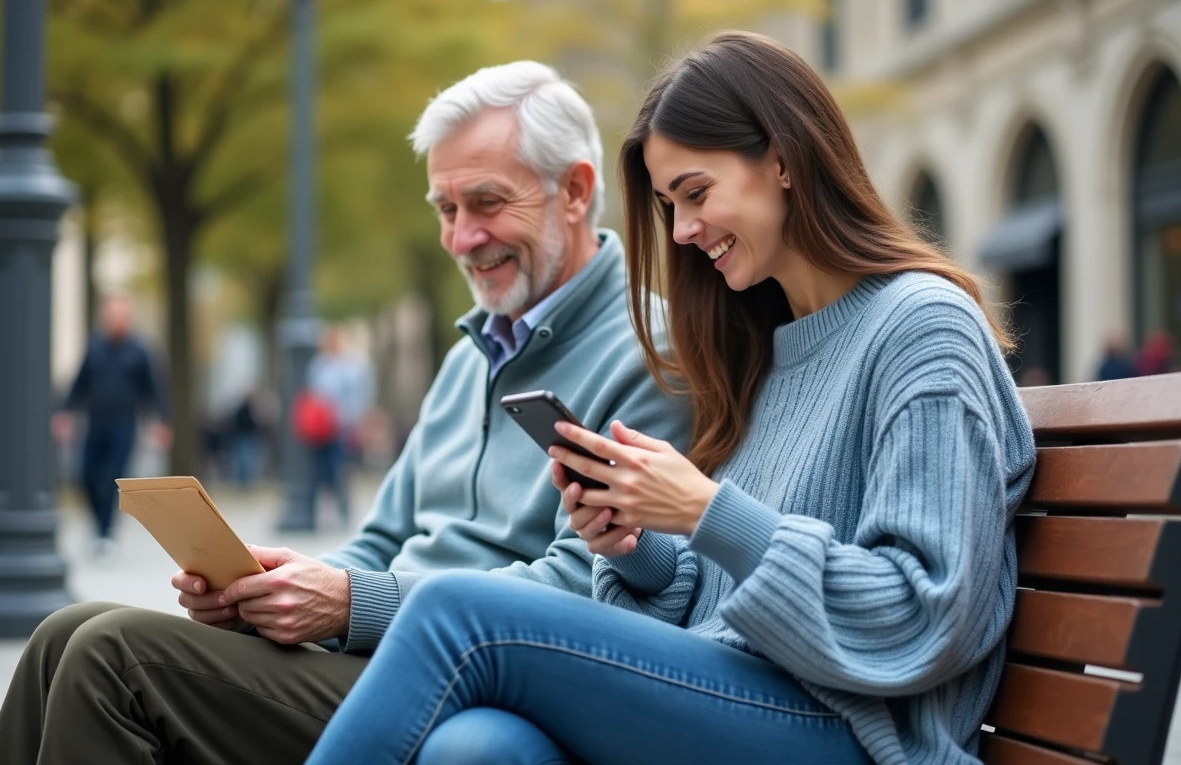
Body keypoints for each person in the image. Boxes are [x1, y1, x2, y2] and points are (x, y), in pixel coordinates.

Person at [307, 31, 1037, 765]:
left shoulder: (922, 328)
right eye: (669, 205)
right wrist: (637, 548)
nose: (683, 232)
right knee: (478, 748)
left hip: (857, 733)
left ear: (781, 159)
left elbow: (920, 614)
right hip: (741, 700)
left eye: (695, 193)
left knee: (452, 611)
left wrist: (704, 510)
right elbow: (714, 600)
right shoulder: (768, 348)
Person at [0, 61, 689, 765]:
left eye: (486, 202)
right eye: (446, 210)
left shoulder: (655, 355)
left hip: (477, 674)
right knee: (62, 635)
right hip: (385, 652)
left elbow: (586, 587)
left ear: (573, 191)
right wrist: (271, 590)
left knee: (110, 657)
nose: (461, 238)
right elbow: (380, 540)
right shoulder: (470, 356)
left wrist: (353, 602)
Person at [51, 292, 172, 556]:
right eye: (112, 314)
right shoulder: (94, 348)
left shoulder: (139, 351)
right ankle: (98, 527)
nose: (117, 319)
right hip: (95, 424)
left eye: (122, 314)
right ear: (105, 316)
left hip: (124, 426)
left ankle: (106, 533)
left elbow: (153, 389)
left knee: (112, 478)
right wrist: (65, 413)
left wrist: (161, 421)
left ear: (128, 318)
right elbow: (79, 384)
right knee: (85, 474)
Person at [281, 328, 374, 530]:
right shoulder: (319, 366)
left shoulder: (350, 367)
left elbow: (357, 397)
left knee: (337, 470)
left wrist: (352, 420)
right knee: (318, 472)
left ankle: (342, 512)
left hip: (339, 428)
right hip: (319, 428)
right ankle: (321, 514)